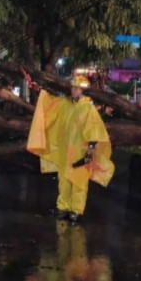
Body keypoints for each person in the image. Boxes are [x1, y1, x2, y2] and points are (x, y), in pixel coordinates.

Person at [26, 75, 115, 222]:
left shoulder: (88, 108)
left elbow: (94, 130)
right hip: (65, 150)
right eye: (73, 87)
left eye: (77, 88)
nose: (73, 90)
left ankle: (76, 209)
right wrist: (38, 88)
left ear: (83, 91)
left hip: (80, 151)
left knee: (79, 181)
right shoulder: (65, 104)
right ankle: (63, 207)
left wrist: (91, 149)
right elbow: (49, 102)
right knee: (64, 179)